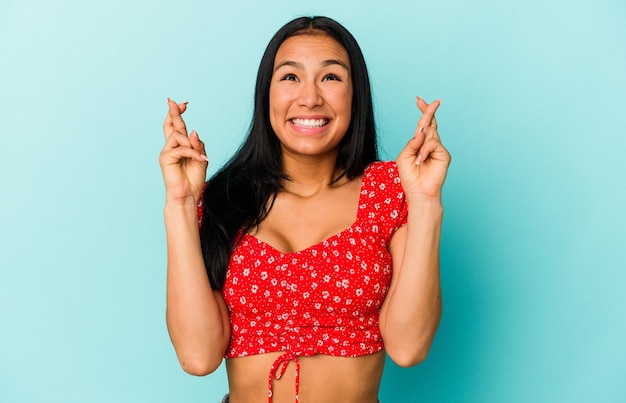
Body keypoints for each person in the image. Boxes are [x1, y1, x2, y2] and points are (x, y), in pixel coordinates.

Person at [159, 16, 450, 403]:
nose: (310, 97)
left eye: (331, 77)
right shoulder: (223, 199)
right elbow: (198, 356)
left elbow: (408, 347)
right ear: (267, 94)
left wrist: (426, 202)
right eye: (290, 77)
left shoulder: (389, 191)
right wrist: (181, 203)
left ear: (355, 95)